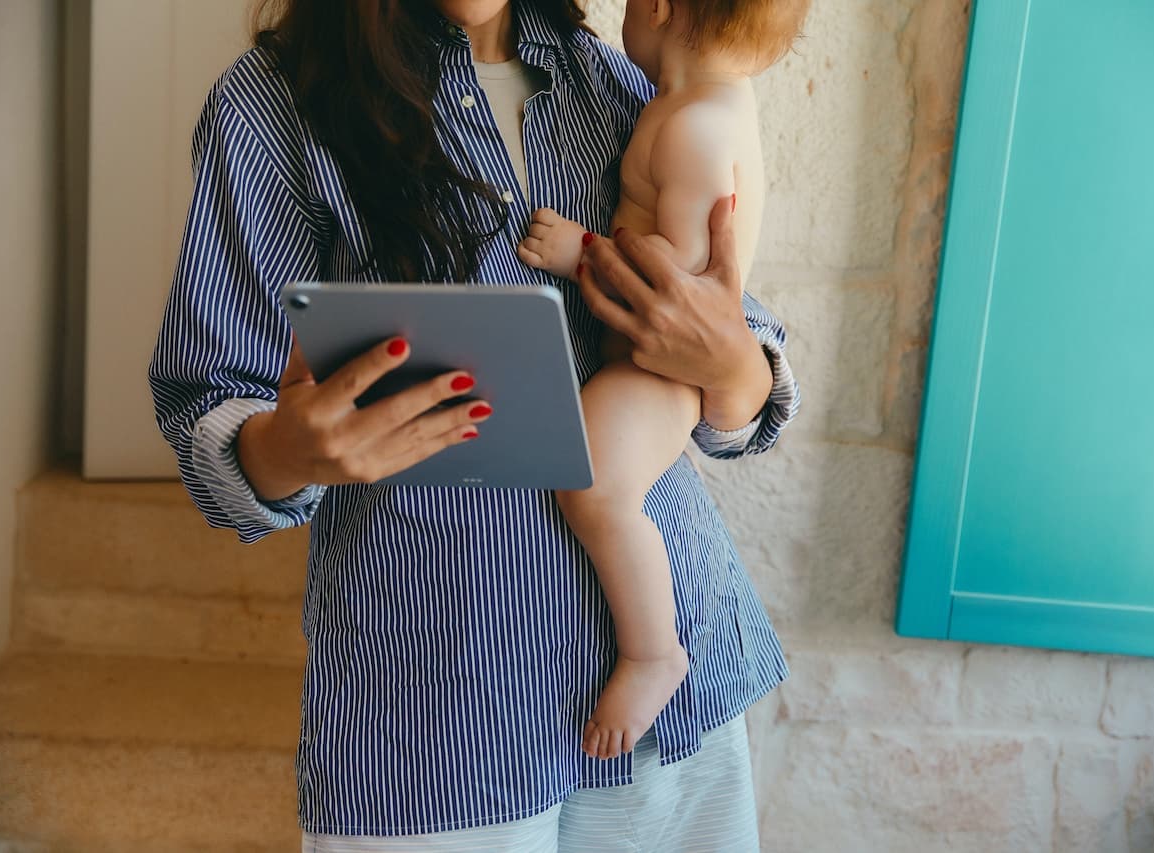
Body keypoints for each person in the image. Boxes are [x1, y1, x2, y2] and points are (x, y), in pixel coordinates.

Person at [148, 0, 801, 849]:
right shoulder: (271, 105)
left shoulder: (605, 76)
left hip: (675, 692)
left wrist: (738, 369)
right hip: (440, 712)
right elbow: (210, 405)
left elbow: (724, 363)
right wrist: (284, 451)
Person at [516, 0, 810, 759]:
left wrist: (580, 250)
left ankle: (654, 649)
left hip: (659, 373)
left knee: (591, 483)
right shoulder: (692, 105)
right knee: (592, 477)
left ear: (658, 7)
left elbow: (673, 293)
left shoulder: (692, 128)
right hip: (646, 364)